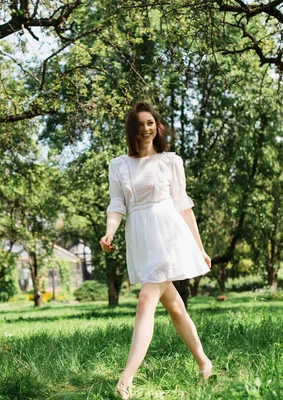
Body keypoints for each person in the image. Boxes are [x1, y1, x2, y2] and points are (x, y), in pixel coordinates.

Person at [100, 101, 213, 399]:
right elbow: (116, 205)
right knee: (174, 306)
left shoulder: (170, 161)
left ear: (157, 126)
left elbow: (184, 207)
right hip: (141, 238)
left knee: (146, 299)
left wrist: (199, 248)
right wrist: (109, 233)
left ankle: (125, 380)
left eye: (151, 123)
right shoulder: (119, 165)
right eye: (140, 124)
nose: (146, 129)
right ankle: (204, 363)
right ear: (132, 129)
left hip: (169, 235)